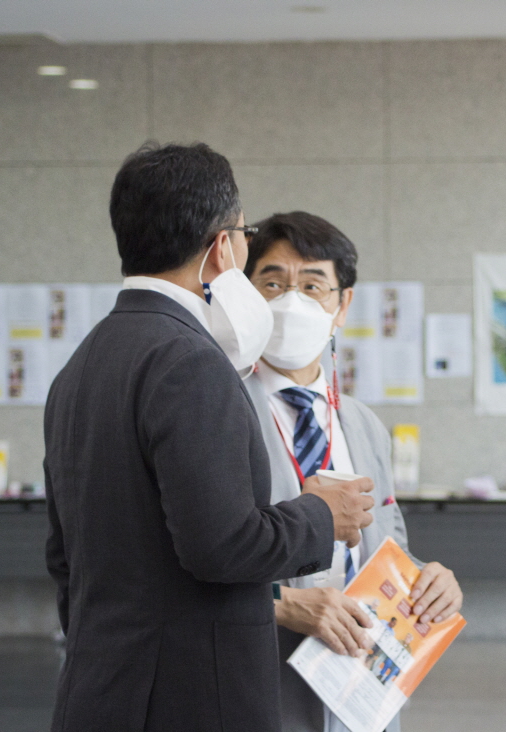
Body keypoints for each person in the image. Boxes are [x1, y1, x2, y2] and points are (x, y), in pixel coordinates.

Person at [44, 144, 376, 732]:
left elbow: (63, 555)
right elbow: (223, 546)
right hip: (189, 698)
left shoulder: (83, 363)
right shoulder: (190, 361)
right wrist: (322, 515)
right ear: (223, 247)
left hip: (103, 686)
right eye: (245, 236)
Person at [243, 211, 463, 732]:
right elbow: (191, 561)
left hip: (360, 696)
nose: (291, 301)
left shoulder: (364, 426)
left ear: (342, 306)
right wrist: (281, 602)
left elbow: (388, 549)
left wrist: (429, 581)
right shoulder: (222, 412)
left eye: (312, 285)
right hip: (261, 686)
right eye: (272, 283)